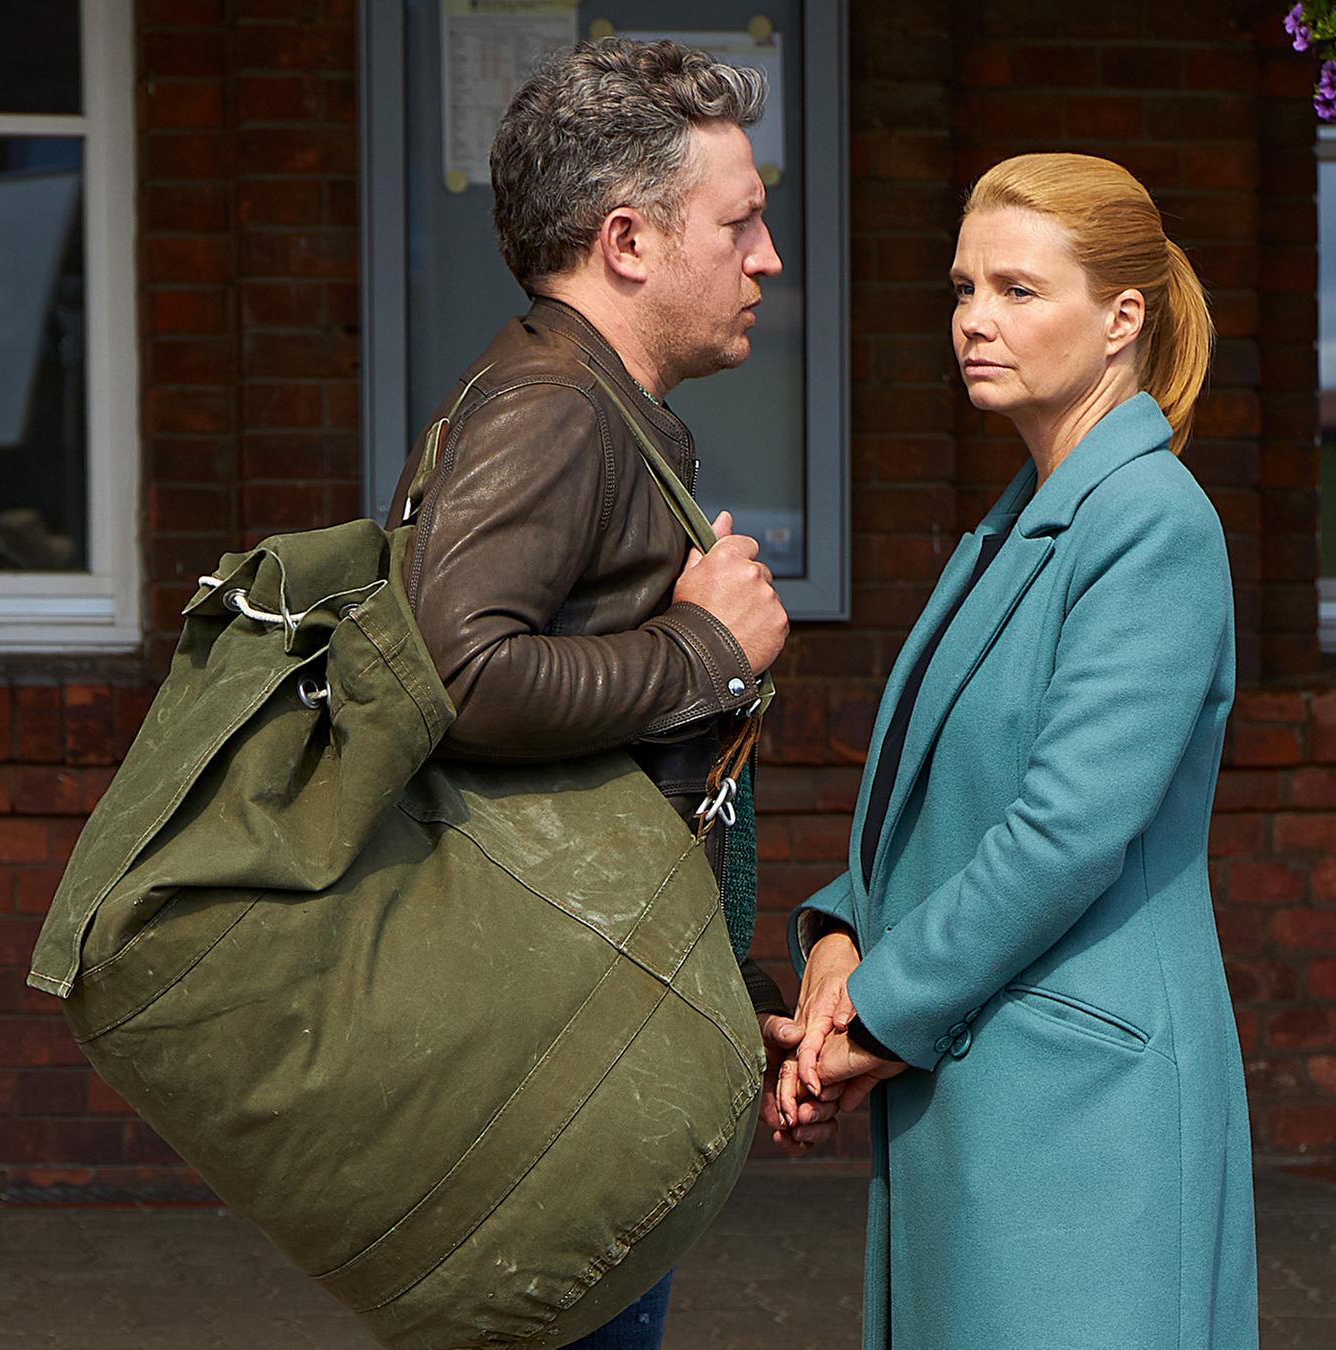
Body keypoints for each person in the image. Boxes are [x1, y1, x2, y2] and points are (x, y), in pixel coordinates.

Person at [776, 153, 1257, 1349]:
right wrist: (840, 941)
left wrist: (876, 1011)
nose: (973, 321)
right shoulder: (1030, 515)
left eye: (1017, 290)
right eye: (962, 288)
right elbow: (938, 796)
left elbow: (1065, 830)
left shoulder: (1148, 521)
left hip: (1080, 1113)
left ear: (1122, 319)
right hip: (997, 1086)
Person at [383, 37, 801, 1350]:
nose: (767, 258)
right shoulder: (554, 409)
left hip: (578, 1034)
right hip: (548, 1069)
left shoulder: (583, 401)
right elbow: (455, 674)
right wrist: (709, 645)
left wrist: (724, 984)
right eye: (739, 223)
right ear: (628, 241)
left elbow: (608, 780)